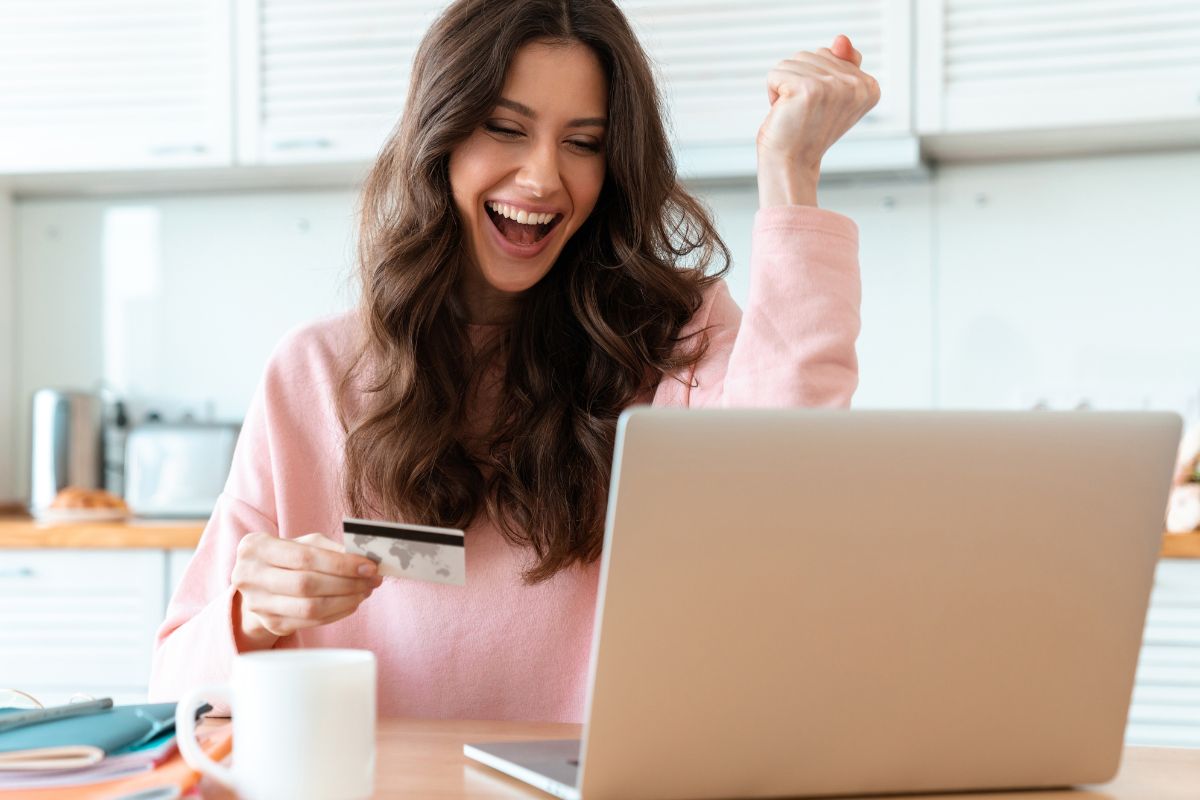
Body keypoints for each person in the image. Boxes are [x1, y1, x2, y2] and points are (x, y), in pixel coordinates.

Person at [149, 0, 878, 721]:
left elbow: (787, 470)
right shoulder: (313, 372)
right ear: (440, 135)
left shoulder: (671, 342)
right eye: (505, 128)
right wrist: (253, 615)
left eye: (583, 143)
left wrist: (792, 169)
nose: (541, 179)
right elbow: (177, 684)